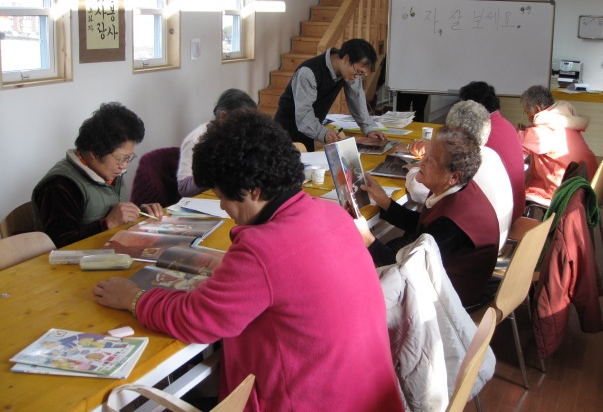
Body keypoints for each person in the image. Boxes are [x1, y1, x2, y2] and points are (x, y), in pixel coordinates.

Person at [93, 110, 404, 412]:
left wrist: (134, 298)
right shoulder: (332, 214)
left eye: (223, 195)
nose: (222, 205)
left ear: (253, 190)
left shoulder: (262, 248)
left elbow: (197, 319)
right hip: (370, 396)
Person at [358, 125, 500, 308]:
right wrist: (385, 202)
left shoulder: (452, 223)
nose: (420, 163)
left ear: (453, 177)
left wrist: (367, 238)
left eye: (430, 161)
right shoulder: (457, 190)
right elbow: (425, 226)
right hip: (445, 277)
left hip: (451, 301)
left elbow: (402, 268)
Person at [32, 102, 163, 248]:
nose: (124, 165)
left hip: (113, 253)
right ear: (94, 152)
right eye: (120, 158)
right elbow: (60, 245)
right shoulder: (60, 185)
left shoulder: (110, 171)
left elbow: (113, 210)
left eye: (128, 158)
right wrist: (109, 223)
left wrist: (140, 214)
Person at [404, 101, 513, 249]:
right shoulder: (490, 155)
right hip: (493, 240)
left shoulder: (461, 166)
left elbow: (417, 190)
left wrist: (413, 170)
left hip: (467, 252)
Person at [274, 38, 387, 152]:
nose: (357, 76)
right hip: (287, 131)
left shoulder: (349, 72)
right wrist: (324, 133)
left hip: (310, 130)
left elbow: (357, 98)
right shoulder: (308, 72)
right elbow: (303, 116)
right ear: (346, 59)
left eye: (362, 74)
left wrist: (369, 129)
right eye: (358, 72)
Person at [518, 85, 598, 202]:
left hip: (563, 189)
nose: (527, 116)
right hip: (584, 183)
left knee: (515, 187)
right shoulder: (563, 120)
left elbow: (516, 144)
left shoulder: (544, 130)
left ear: (537, 109)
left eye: (527, 112)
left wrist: (519, 132)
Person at [459, 81, 526, 219]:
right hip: (514, 206)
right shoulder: (505, 125)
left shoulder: (483, 134)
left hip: (499, 215)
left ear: (479, 107)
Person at [177, 88, 256, 197]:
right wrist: (215, 170)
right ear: (222, 116)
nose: (245, 128)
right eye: (240, 121)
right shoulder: (196, 139)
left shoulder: (241, 136)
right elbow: (184, 188)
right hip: (206, 201)